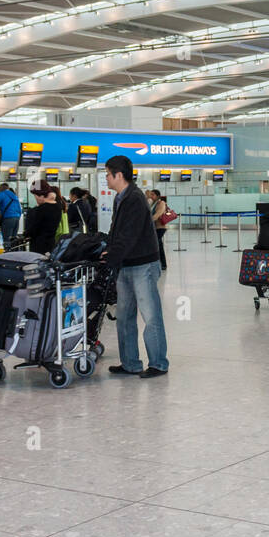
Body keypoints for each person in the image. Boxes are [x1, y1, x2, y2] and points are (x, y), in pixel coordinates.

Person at [103, 155, 167, 378]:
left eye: (108, 174)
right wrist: (108, 249)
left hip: (143, 265)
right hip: (126, 265)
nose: (106, 178)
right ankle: (130, 363)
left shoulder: (135, 199)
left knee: (150, 316)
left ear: (118, 175)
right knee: (124, 316)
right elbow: (116, 231)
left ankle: (158, 363)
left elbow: (129, 235)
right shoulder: (120, 198)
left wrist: (111, 258)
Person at [22, 182, 62, 254]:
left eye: (35, 196)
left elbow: (33, 228)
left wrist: (25, 234)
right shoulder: (58, 206)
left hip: (38, 245)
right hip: (51, 243)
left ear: (41, 195)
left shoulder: (40, 209)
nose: (35, 199)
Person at [147, 189, 169, 271]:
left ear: (157, 196)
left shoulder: (161, 203)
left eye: (153, 195)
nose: (151, 196)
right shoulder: (153, 204)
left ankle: (163, 264)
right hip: (154, 227)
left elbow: (158, 214)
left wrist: (148, 221)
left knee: (158, 245)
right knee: (158, 245)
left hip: (160, 228)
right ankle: (160, 263)